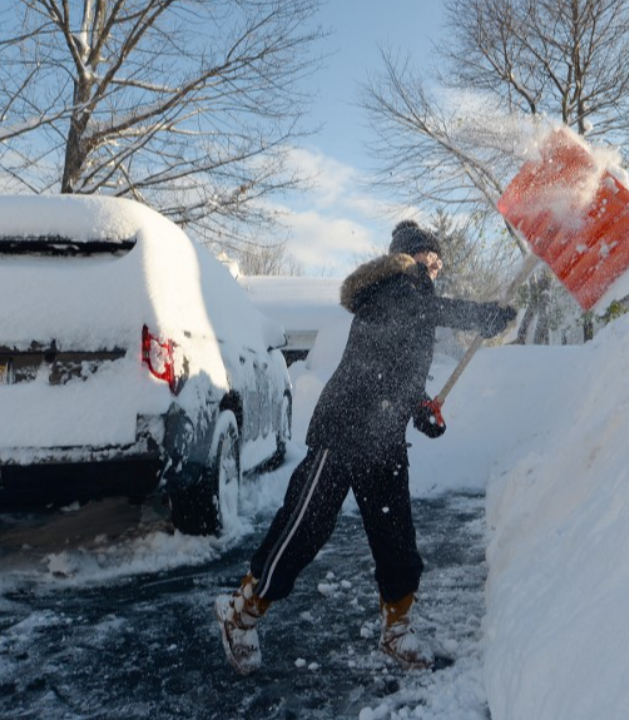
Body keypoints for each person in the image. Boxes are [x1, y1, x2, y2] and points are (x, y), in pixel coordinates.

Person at [214, 220, 517, 675]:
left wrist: (419, 409)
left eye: (438, 264)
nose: (435, 269)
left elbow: (398, 372)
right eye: (429, 259)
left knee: (397, 538)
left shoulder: (415, 303)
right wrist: (482, 314)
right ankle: (241, 612)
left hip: (384, 436)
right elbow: (414, 309)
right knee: (304, 528)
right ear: (409, 257)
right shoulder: (389, 290)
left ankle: (397, 629)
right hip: (345, 429)